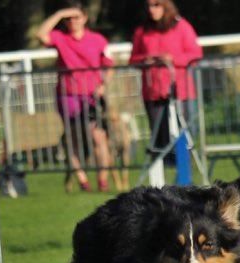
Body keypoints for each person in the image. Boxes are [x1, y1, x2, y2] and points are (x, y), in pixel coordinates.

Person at [37, 2, 115, 192]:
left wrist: (103, 85)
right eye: (69, 18)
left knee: (98, 136)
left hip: (91, 95)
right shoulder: (60, 38)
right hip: (68, 95)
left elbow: (109, 65)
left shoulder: (97, 40)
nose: (73, 21)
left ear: (85, 18)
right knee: (72, 137)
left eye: (76, 17)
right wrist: (60, 13)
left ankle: (102, 180)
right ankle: (82, 180)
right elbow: (40, 35)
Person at [129, 0, 202, 164]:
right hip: (153, 92)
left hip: (181, 91)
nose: (151, 9)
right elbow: (133, 59)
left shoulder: (182, 26)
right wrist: (144, 60)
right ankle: (162, 176)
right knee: (159, 139)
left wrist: (173, 59)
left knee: (184, 135)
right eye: (148, 5)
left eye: (156, 5)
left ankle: (185, 173)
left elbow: (195, 54)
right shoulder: (142, 31)